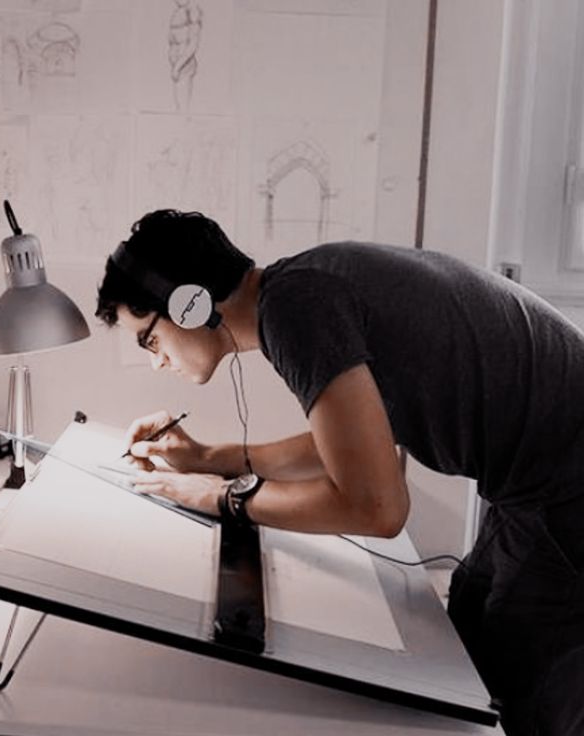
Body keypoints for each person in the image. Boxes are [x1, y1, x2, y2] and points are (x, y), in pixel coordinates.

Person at [95, 208, 584, 736]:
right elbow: (349, 442)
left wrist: (222, 497)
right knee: (462, 644)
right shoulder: (303, 286)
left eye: (148, 339)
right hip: (537, 484)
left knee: (523, 692)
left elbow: (378, 509)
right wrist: (211, 457)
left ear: (188, 304)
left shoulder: (297, 312)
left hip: (564, 490)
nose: (156, 361)